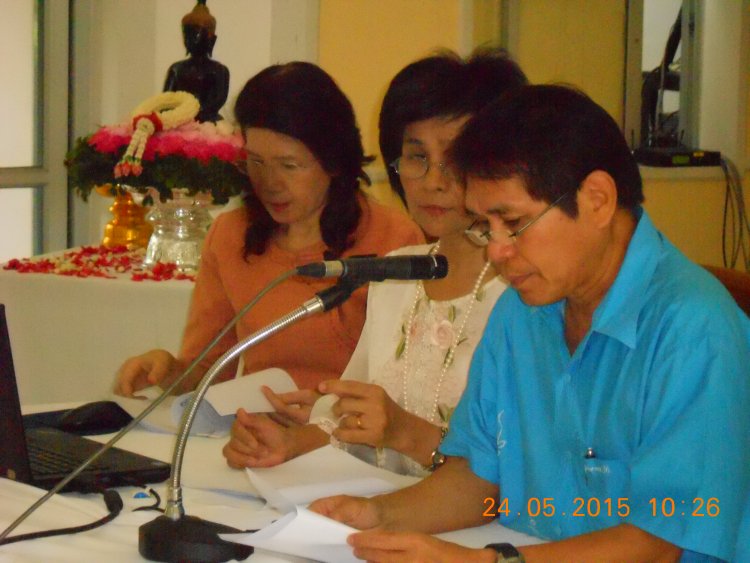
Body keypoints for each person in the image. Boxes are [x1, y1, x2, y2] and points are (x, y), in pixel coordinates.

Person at [309, 85, 750, 561]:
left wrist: (487, 561)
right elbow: (480, 476)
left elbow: (662, 541)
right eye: (485, 227)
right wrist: (378, 515)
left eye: (513, 223)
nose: (497, 252)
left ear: (597, 200)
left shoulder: (694, 329)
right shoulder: (522, 310)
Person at [222, 49, 527, 476]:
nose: (433, 181)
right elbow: (353, 419)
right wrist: (289, 443)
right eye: (417, 156)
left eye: (456, 157)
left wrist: (409, 435)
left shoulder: (526, 288)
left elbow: (525, 467)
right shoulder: (395, 273)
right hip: (380, 502)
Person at [114, 62, 423, 397]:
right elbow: (209, 371)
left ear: (334, 162)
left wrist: (322, 416)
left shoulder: (394, 238)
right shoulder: (230, 235)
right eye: (256, 162)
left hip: (350, 426)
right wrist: (168, 370)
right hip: (258, 423)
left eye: (289, 165)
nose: (270, 183)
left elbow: (408, 385)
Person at [163, 0, 230, 123]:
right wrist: (177, 114)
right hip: (178, 119)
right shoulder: (176, 69)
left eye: (196, 35)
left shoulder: (219, 70)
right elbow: (167, 99)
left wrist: (196, 113)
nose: (189, 40)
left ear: (211, 39)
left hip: (207, 121)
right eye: (186, 35)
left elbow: (218, 100)